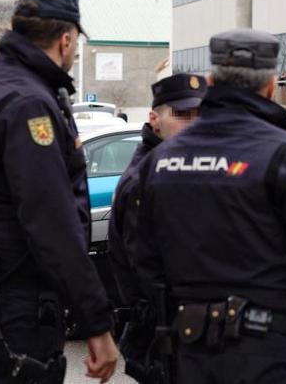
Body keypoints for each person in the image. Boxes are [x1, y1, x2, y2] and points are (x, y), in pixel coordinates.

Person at [135, 28, 286, 383]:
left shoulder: (161, 159)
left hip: (186, 350)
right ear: (270, 86)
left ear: (209, 81)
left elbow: (141, 259)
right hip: (266, 351)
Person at [0, 0, 118, 383]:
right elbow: (51, 221)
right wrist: (96, 323)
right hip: (18, 291)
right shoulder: (27, 103)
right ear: (66, 38)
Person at [107, 72, 207, 381]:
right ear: (155, 119)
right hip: (162, 334)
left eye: (199, 115)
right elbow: (147, 271)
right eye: (181, 115)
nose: (192, 124)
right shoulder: (146, 179)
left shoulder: (182, 168)